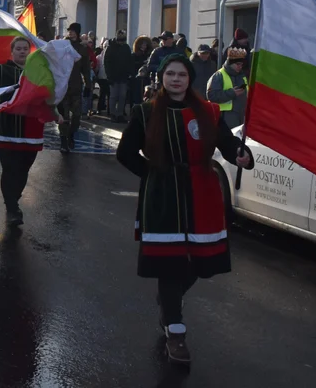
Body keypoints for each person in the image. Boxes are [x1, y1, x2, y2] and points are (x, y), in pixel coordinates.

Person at [116, 54, 253, 365]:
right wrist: (153, 175)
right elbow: (125, 152)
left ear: (190, 79)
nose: (175, 79)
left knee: (197, 263)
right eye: (170, 74)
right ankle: (175, 332)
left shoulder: (207, 111)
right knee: (171, 264)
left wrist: (240, 155)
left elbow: (227, 144)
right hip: (163, 197)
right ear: (162, 77)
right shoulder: (147, 111)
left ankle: (169, 299)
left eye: (181, 75)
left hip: (201, 193)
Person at [0, 36, 52, 226]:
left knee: (23, 170)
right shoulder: (1, 71)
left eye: (24, 48)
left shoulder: (37, 72)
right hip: (7, 127)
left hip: (31, 128)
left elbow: (50, 94)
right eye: (18, 49)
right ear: (11, 52)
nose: (22, 51)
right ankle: (12, 208)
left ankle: (14, 197)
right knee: (10, 168)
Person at [58, 23, 91, 153]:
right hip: (63, 86)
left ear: (77, 33)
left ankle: (71, 135)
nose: (70, 33)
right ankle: (63, 142)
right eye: (69, 31)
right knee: (63, 116)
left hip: (76, 86)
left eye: (73, 31)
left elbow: (86, 69)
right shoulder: (62, 46)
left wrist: (88, 85)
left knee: (76, 116)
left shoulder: (82, 49)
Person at [206, 47, 248, 129]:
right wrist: (232, 93)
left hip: (241, 116)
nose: (240, 67)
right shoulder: (218, 75)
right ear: (230, 63)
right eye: (237, 64)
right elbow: (211, 96)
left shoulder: (242, 76)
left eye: (241, 65)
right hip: (225, 117)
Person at [103, 30, 133, 123]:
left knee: (122, 96)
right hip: (114, 76)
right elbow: (107, 63)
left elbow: (129, 61)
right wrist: (109, 76)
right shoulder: (111, 48)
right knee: (114, 96)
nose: (121, 41)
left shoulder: (126, 48)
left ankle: (119, 114)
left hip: (123, 76)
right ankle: (113, 113)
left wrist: (129, 73)